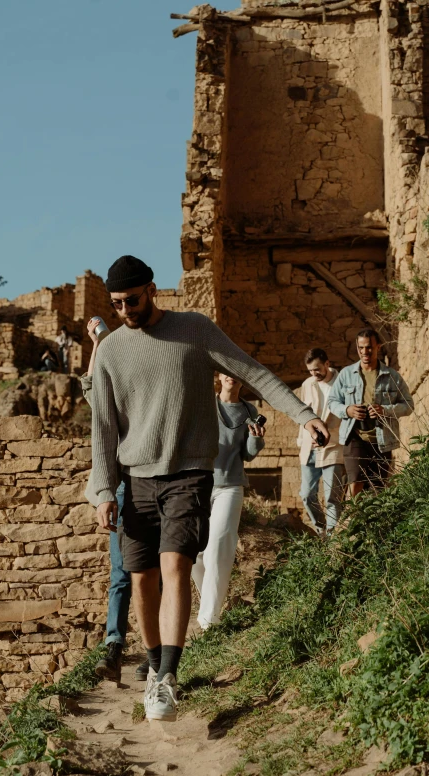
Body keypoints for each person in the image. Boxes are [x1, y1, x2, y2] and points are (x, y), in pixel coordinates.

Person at [87, 255, 329, 723]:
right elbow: (102, 429)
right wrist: (102, 492)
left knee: (175, 565)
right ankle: (155, 661)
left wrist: (303, 414)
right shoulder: (112, 352)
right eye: (116, 304)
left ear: (151, 290)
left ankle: (167, 677)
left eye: (132, 300)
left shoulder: (194, 330)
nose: (125, 311)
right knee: (141, 580)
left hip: (188, 474)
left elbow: (253, 372)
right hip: (136, 478)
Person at [81, 318, 149, 684]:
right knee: (121, 571)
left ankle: (156, 653)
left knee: (152, 571)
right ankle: (114, 647)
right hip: (124, 487)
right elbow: (91, 388)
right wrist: (99, 342)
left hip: (156, 482)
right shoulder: (108, 389)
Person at [192, 374, 265, 629]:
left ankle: (208, 622)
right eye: (225, 372)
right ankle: (211, 607)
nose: (230, 377)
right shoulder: (203, 404)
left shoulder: (249, 410)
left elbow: (248, 454)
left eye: (235, 373)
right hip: (200, 483)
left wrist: (256, 437)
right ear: (218, 377)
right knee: (194, 554)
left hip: (230, 485)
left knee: (218, 549)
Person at [328, 329, 413, 496]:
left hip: (382, 440)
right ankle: (355, 519)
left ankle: (373, 522)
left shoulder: (392, 376)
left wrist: (385, 410)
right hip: (354, 437)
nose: (365, 352)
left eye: (369, 347)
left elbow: (408, 405)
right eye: (361, 348)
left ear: (378, 347)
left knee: (378, 489)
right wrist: (347, 410)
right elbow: (332, 402)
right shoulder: (346, 374)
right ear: (357, 348)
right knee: (356, 481)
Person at [297, 348, 345, 536]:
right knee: (307, 495)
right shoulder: (307, 384)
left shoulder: (342, 383)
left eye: (317, 369)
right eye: (310, 370)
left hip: (334, 445)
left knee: (332, 496)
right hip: (309, 447)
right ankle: (321, 530)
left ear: (327, 364)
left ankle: (333, 538)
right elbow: (301, 415)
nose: (314, 374)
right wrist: (302, 441)